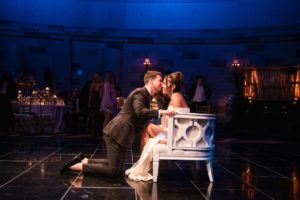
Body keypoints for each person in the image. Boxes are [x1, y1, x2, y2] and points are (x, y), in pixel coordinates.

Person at [61, 70, 175, 177]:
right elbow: (139, 111)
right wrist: (161, 112)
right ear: (151, 81)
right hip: (116, 133)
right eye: (160, 80)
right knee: (113, 171)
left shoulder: (147, 95)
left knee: (115, 165)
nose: (162, 83)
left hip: (120, 133)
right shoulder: (141, 93)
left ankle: (85, 160)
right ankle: (76, 166)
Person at [125, 71, 189, 181]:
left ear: (172, 86)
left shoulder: (175, 97)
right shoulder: (174, 96)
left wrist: (170, 140)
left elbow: (179, 124)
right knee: (146, 130)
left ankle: (149, 167)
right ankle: (155, 167)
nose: (162, 85)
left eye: (164, 83)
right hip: (175, 132)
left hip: (178, 136)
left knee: (147, 128)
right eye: (162, 82)